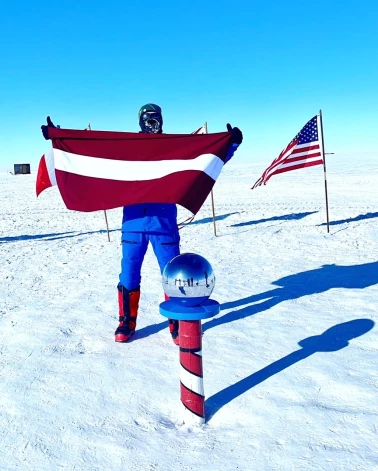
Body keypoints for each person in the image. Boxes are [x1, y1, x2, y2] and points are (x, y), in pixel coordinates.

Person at [41, 104, 243, 345]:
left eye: (156, 118)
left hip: (164, 225)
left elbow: (204, 161)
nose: (152, 122)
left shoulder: (173, 147)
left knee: (173, 276)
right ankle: (126, 321)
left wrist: (230, 145)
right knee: (129, 275)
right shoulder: (127, 150)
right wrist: (61, 138)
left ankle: (177, 322)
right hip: (133, 226)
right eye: (148, 118)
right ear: (140, 121)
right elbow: (90, 153)